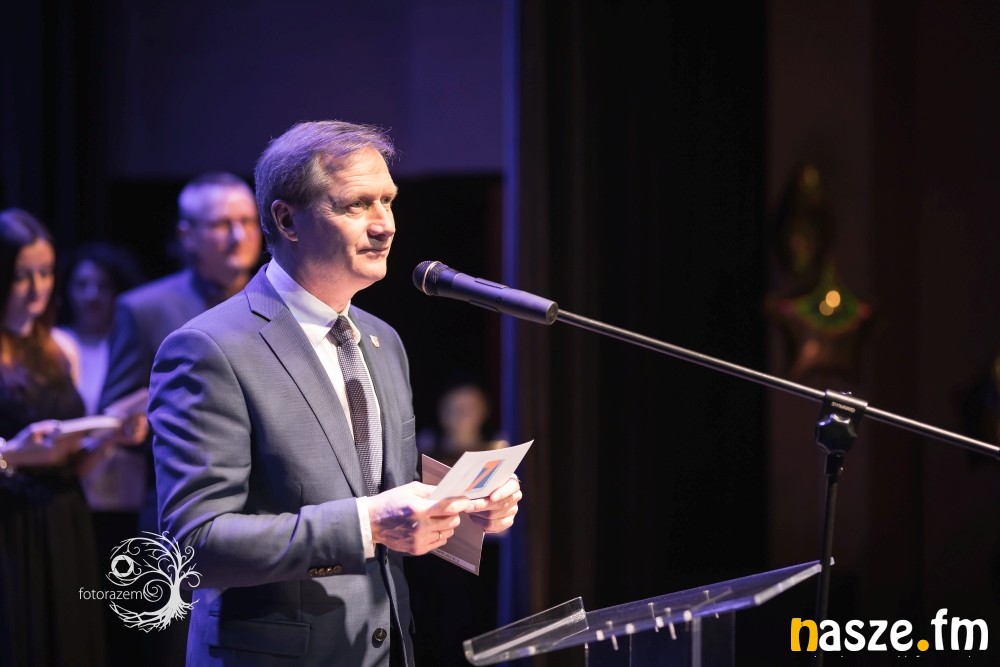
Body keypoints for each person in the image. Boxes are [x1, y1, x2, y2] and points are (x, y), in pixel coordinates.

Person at [147, 120, 523, 666]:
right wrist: (368, 523)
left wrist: (468, 507)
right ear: (286, 220)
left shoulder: (383, 340)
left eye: (388, 201)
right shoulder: (210, 349)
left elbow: (381, 486)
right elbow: (192, 544)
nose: (385, 225)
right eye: (356, 205)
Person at [96, 171, 263, 666]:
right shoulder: (145, 308)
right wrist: (147, 412)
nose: (238, 236)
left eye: (247, 221)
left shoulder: (283, 301)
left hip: (272, 511)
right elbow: (117, 413)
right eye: (221, 224)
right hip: (179, 519)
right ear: (187, 235)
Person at [0, 208, 144, 666]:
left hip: (65, 515)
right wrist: (12, 455)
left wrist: (109, 436)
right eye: (22, 276)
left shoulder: (59, 348)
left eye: (45, 272)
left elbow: (74, 465)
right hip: (10, 522)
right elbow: (16, 456)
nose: (38, 288)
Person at [54, 240, 146, 665]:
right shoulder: (56, 345)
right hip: (73, 493)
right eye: (82, 285)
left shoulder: (131, 343)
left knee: (126, 616)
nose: (92, 296)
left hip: (127, 499)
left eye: (103, 286)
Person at [410, 378, 511, 665]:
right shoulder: (422, 452)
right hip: (433, 558)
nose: (463, 416)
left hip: (484, 559)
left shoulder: (497, 451)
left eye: (470, 408)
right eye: (455, 409)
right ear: (442, 413)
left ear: (484, 410)